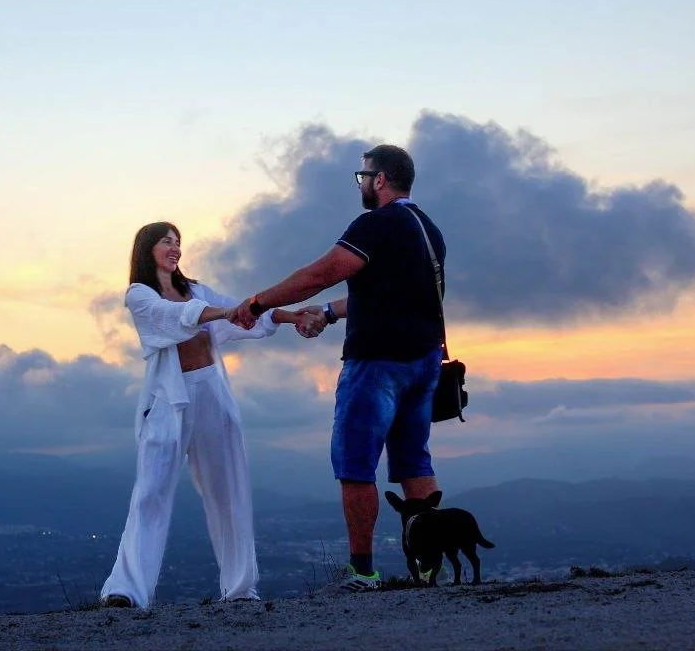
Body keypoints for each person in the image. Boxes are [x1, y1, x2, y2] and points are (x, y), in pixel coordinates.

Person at [231, 143, 447, 591]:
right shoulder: (428, 229)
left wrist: (256, 303)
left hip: (377, 363)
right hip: (425, 361)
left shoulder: (375, 224)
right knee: (414, 462)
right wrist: (328, 314)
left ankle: (363, 572)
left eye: (363, 176)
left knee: (355, 463)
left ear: (380, 179)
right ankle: (430, 569)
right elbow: (385, 295)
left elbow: (320, 273)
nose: (361, 184)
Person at [100, 221, 326, 609]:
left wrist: (292, 317)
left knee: (229, 491)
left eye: (178, 242)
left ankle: (240, 588)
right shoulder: (139, 294)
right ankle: (127, 589)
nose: (175, 248)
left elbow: (247, 314)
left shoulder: (197, 290)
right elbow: (178, 316)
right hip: (169, 399)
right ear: (147, 248)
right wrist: (227, 311)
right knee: (151, 492)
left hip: (211, 392)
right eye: (166, 241)